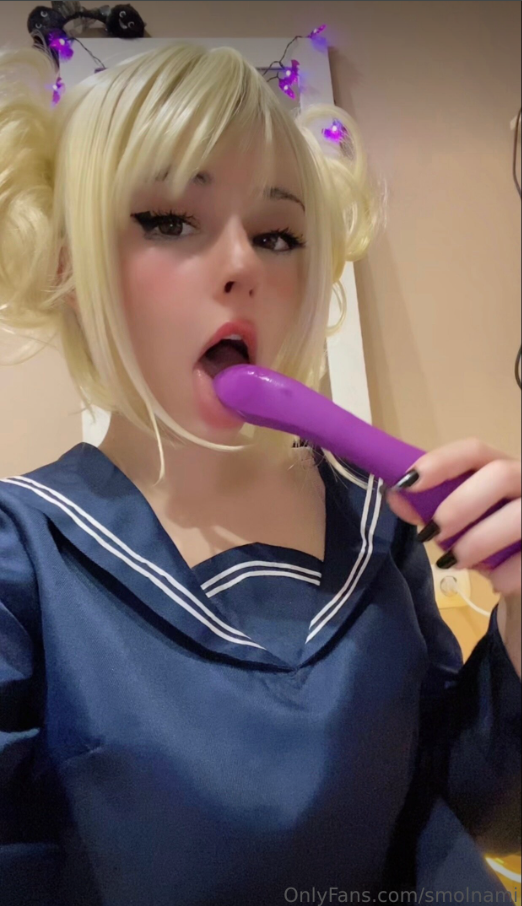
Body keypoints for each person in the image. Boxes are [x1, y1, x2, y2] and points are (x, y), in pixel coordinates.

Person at [0, 41, 520, 906]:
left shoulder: (377, 528)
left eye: (278, 235)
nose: (244, 264)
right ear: (69, 269)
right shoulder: (24, 559)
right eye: (169, 221)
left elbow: (468, 808)